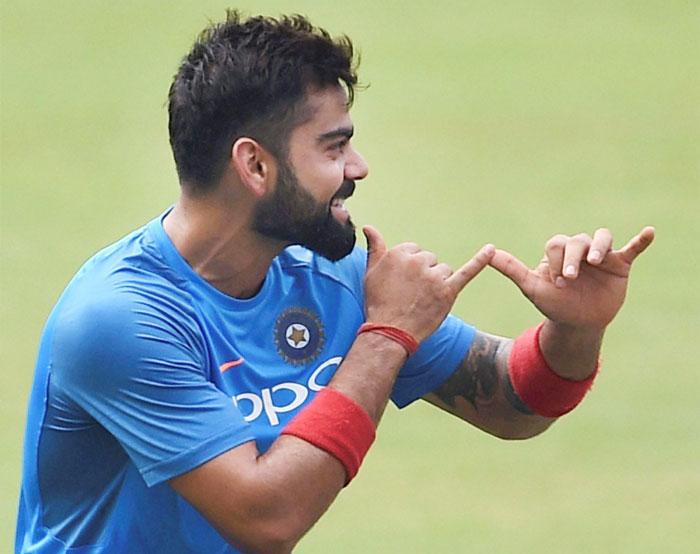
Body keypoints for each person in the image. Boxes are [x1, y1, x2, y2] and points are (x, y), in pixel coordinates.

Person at [15, 11, 654, 554]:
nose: (359, 167)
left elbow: (515, 403)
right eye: (333, 146)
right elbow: (266, 519)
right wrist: (387, 335)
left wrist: (576, 327)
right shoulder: (118, 319)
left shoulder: (331, 273)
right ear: (255, 164)